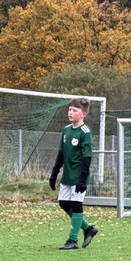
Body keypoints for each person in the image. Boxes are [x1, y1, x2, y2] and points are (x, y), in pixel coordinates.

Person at [48, 97, 98, 250]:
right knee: (64, 203)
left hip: (78, 176)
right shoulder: (66, 130)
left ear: (83, 114)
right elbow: (61, 153)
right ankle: (88, 229)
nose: (70, 112)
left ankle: (72, 240)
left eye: (74, 110)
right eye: (69, 109)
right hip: (67, 175)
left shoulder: (85, 132)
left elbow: (87, 157)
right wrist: (54, 173)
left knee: (76, 205)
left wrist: (82, 180)